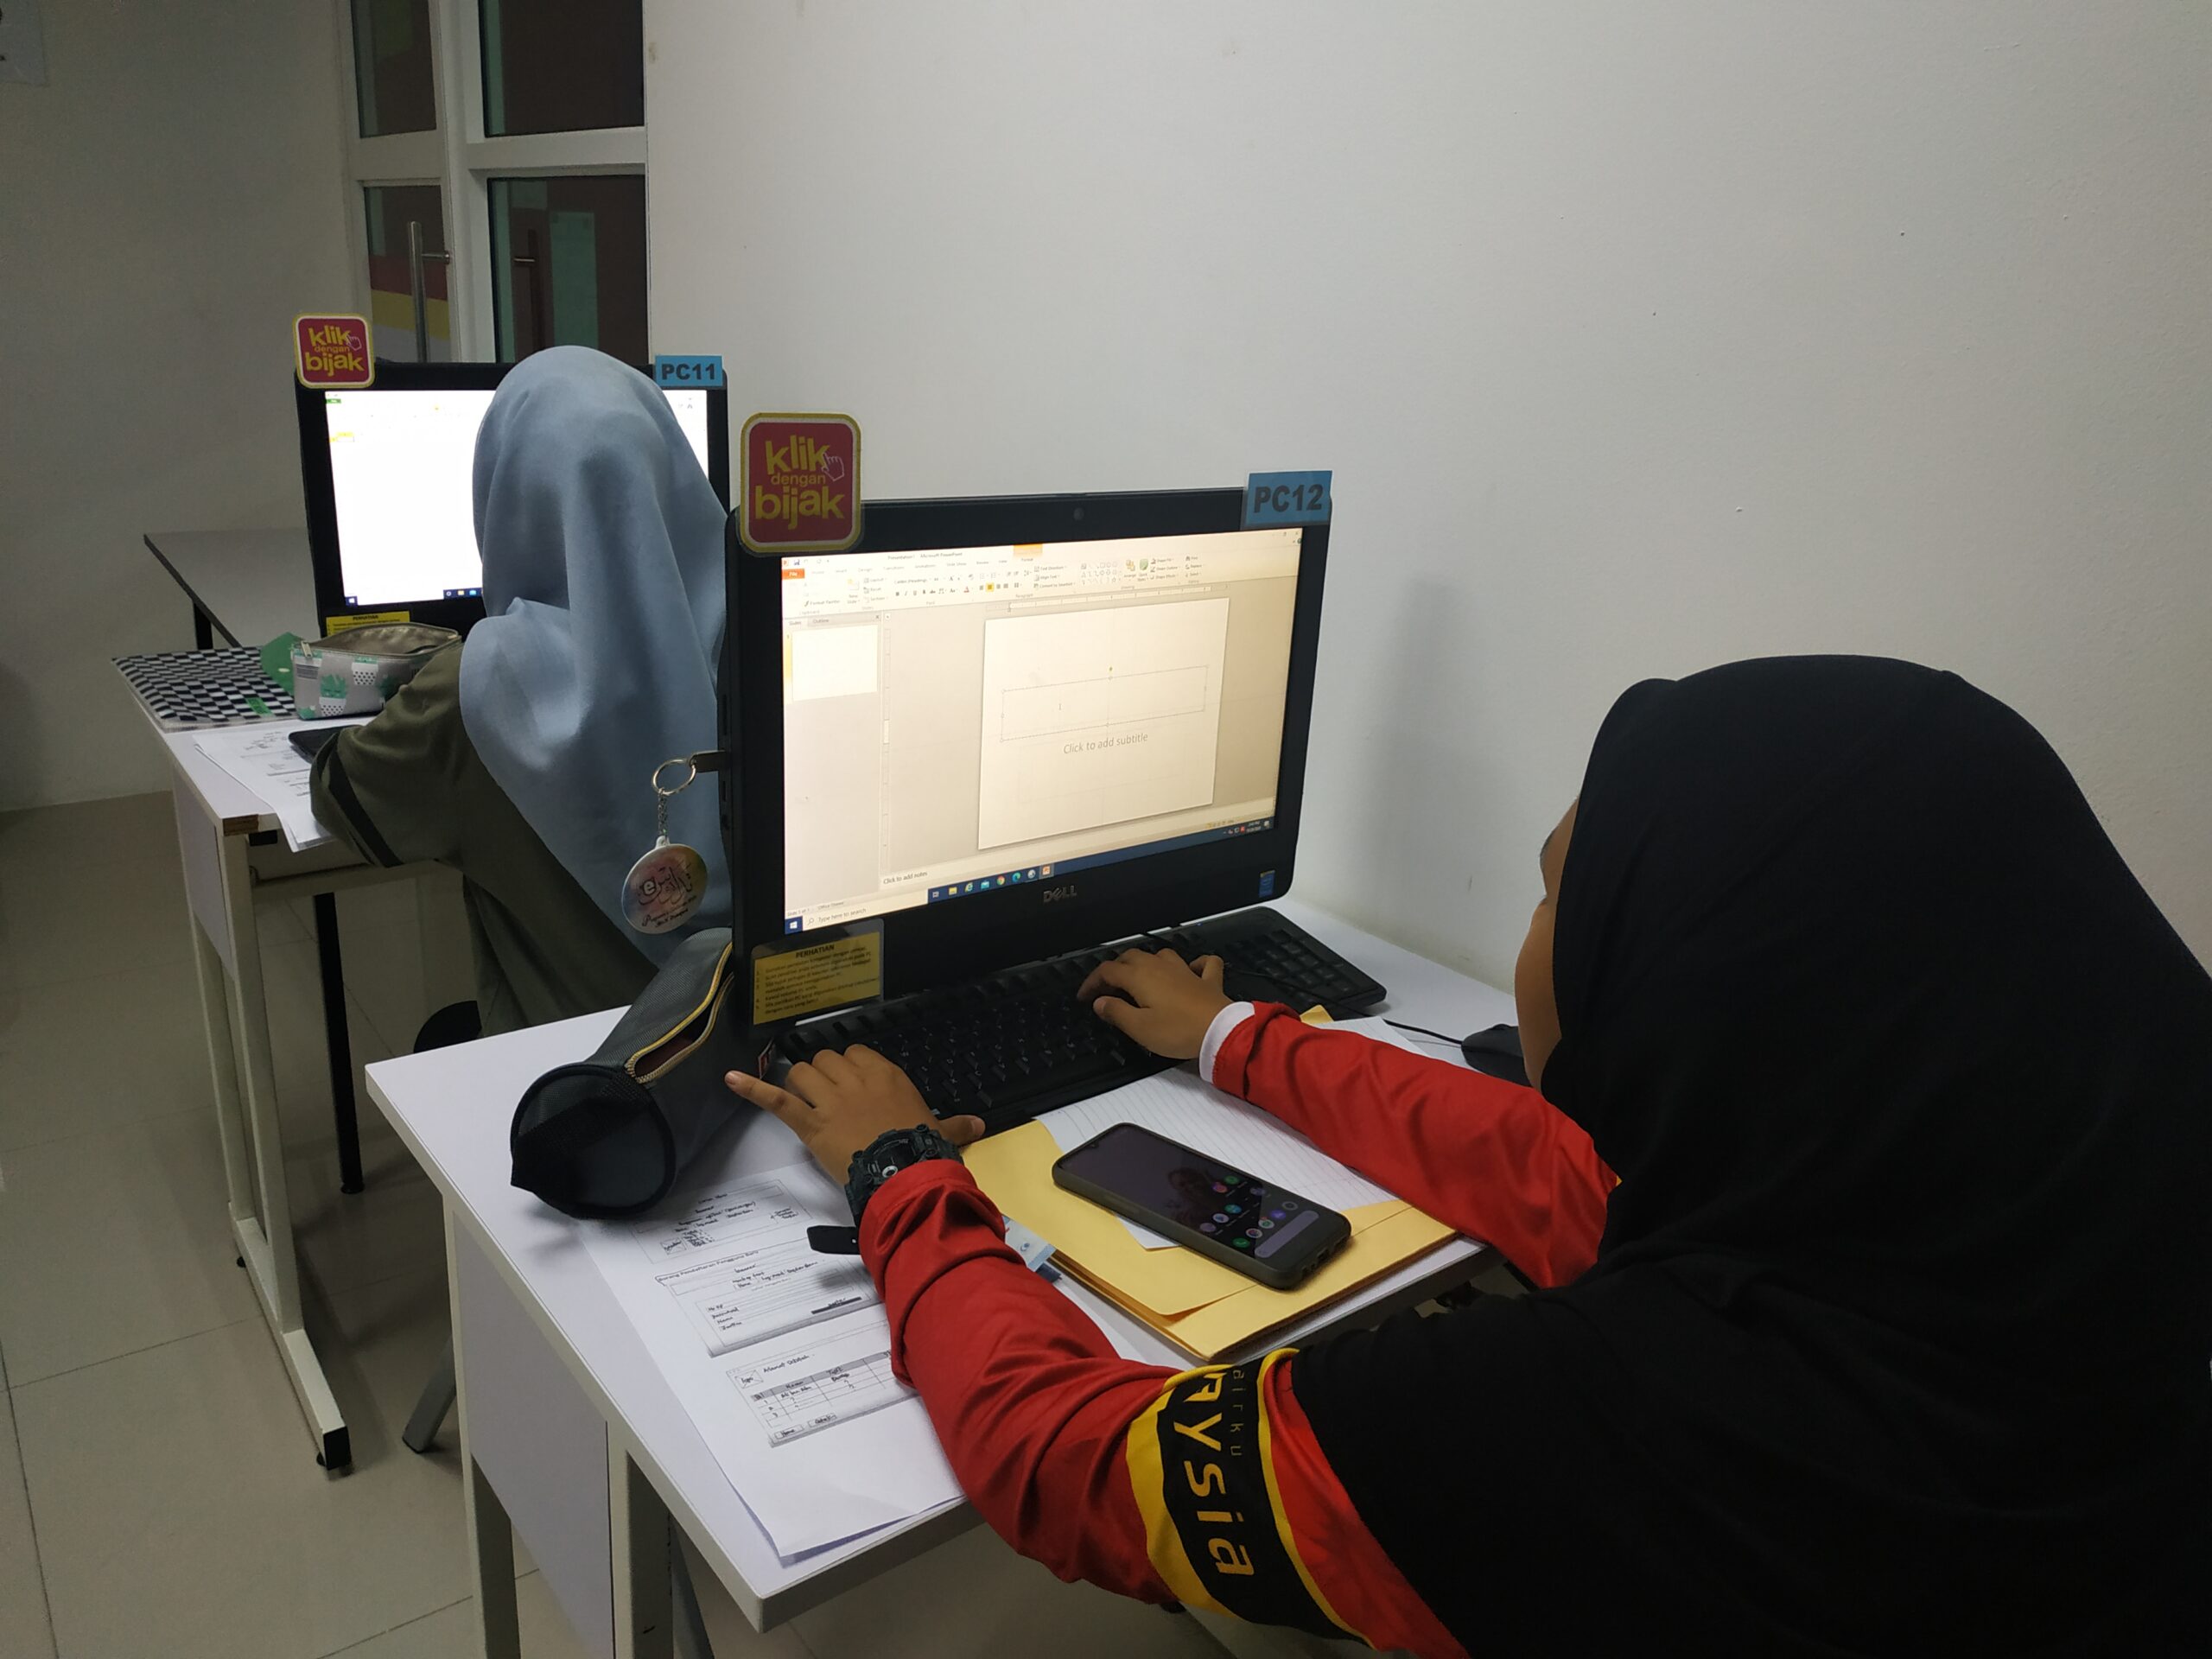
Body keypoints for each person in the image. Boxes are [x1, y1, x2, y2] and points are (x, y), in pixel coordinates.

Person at [727, 656, 2212, 1656]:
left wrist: (902, 1177)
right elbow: (1554, 1172)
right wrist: (1235, 1038)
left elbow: (1077, 1466)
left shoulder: (1580, 1428)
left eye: (1565, 898)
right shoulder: (2021, 1231)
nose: (1538, 939)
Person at [311, 347, 729, 1035]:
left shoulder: (470, 692)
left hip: (574, 1069)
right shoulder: (774, 644)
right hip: (770, 1054)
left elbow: (345, 802)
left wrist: (420, 682)